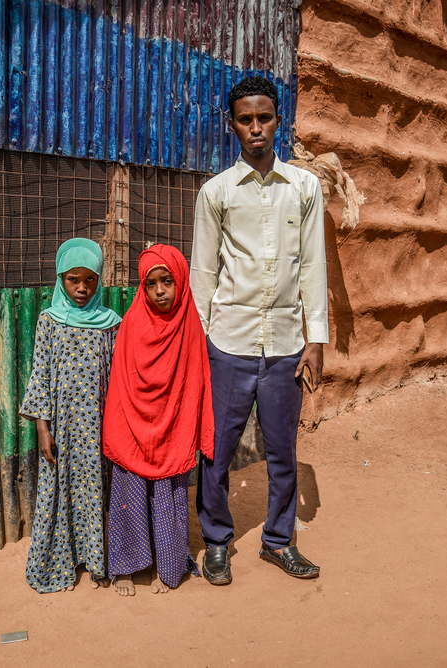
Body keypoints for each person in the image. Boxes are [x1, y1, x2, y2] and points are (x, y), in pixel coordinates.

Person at [191, 75, 327, 584]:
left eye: (264, 118)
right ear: (232, 125)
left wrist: (316, 339)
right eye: (245, 119)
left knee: (282, 452)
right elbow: (203, 272)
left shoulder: (305, 188)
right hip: (228, 343)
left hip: (288, 346)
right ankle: (217, 540)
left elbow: (313, 266)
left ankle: (278, 540)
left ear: (278, 120)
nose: (256, 128)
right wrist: (200, 344)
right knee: (216, 451)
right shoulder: (216, 193)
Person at [102, 244, 215, 596]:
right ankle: (126, 567)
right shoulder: (133, 322)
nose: (160, 291)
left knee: (167, 496)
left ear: (180, 280)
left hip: (172, 429)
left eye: (167, 281)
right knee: (129, 493)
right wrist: (125, 426)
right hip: (133, 426)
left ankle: (167, 565)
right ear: (142, 286)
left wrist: (185, 428)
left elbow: (195, 382)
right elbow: (120, 381)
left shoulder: (189, 326)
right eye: (151, 284)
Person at [19, 238, 122, 593]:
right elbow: (41, 375)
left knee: (97, 491)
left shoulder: (111, 324)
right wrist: (42, 428)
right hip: (61, 430)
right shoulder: (49, 321)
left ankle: (97, 560)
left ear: (99, 280)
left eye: (90, 280)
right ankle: (62, 559)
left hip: (99, 427)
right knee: (59, 492)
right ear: (61, 278)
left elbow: (120, 377)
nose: (82, 288)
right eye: (73, 279)